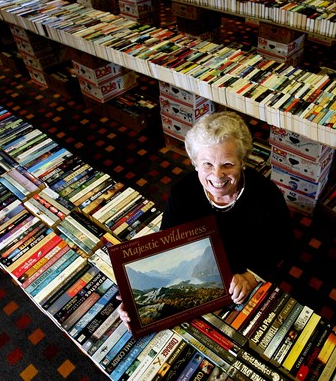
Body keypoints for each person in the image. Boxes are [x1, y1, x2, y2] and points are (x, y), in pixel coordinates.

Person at [117, 110, 295, 327]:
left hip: (244, 277)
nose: (217, 175)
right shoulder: (182, 193)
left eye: (228, 164)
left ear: (242, 162)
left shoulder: (266, 194)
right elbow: (167, 246)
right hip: (199, 282)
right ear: (194, 164)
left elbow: (282, 245)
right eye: (207, 164)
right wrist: (136, 300)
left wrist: (250, 277)